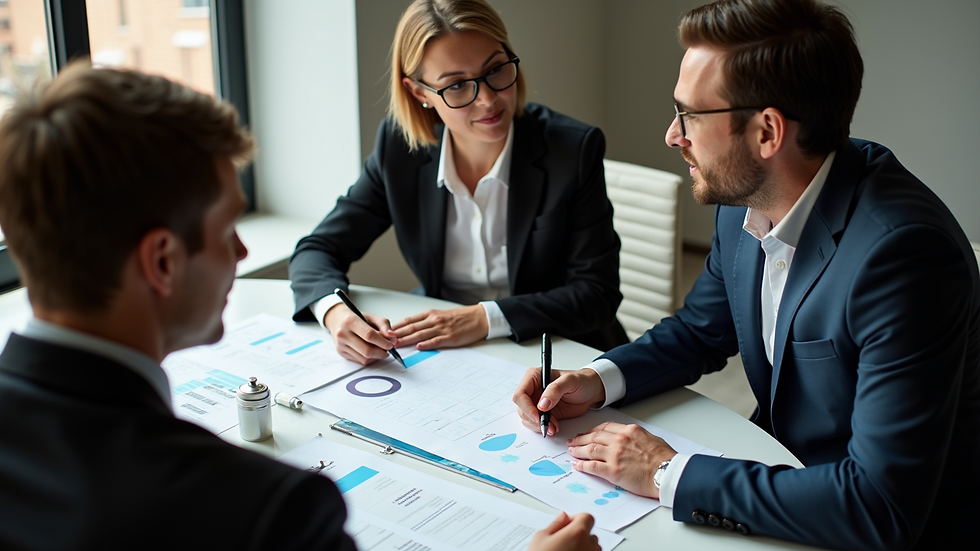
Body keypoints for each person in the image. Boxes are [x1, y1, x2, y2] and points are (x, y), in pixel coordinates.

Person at [0, 62, 600, 551]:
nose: (240, 251)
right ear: (161, 261)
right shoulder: (266, 512)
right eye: (227, 228)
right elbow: (319, 249)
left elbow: (595, 291)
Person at [513, 0, 980, 549]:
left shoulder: (905, 256)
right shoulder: (746, 196)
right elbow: (702, 330)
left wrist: (666, 472)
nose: (672, 135)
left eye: (689, 114)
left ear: (766, 132)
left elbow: (878, 505)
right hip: (771, 475)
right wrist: (596, 380)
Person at [289, 0, 628, 365]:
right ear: (419, 93)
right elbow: (317, 249)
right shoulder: (400, 149)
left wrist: (484, 318)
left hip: (560, 352)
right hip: (450, 356)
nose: (487, 99)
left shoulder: (573, 150)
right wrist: (335, 312)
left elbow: (597, 293)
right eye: (457, 85)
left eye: (496, 69)